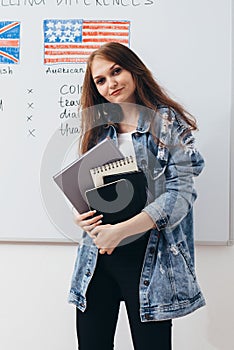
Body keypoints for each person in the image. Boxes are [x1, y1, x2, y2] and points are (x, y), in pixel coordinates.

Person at [68, 42, 206, 349]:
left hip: (149, 258)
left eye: (116, 71)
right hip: (97, 258)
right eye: (100, 80)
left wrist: (121, 231)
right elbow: (98, 194)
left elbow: (180, 195)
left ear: (133, 69)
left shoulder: (166, 123)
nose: (110, 83)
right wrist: (84, 216)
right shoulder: (100, 131)